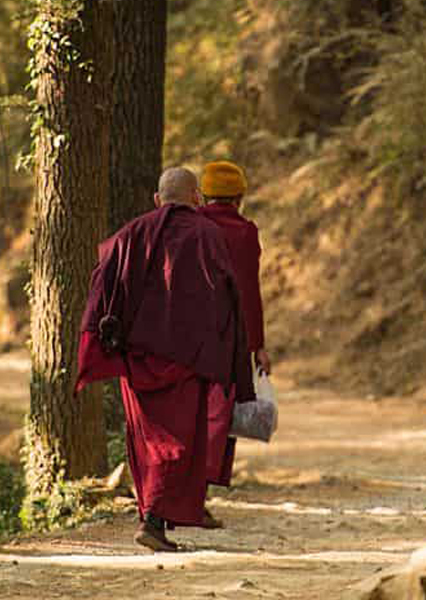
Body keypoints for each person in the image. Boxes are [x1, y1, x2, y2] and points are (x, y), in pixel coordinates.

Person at [76, 167, 258, 552]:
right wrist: (231, 356)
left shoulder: (128, 235)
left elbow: (101, 291)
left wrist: (101, 345)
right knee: (180, 442)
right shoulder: (209, 236)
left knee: (148, 441)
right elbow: (229, 300)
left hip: (138, 360)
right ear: (196, 198)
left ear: (157, 200)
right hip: (189, 359)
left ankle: (152, 518)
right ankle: (155, 521)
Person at [195, 160, 271, 497]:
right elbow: (248, 291)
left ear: (203, 195)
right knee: (225, 406)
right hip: (232, 337)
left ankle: (192, 484)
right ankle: (211, 478)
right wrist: (258, 345)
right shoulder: (245, 232)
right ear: (239, 196)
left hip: (191, 336)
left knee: (194, 408)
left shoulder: (193, 225)